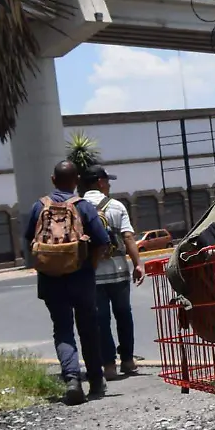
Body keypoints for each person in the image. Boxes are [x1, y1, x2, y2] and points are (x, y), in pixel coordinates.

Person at [26, 160, 114, 404]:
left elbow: (28, 241)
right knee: (88, 329)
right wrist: (91, 266)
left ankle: (73, 379)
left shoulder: (38, 207)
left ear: (53, 179)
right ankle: (96, 381)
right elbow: (102, 240)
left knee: (63, 329)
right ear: (76, 181)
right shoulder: (83, 207)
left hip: (51, 281)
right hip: (82, 278)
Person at [79, 166, 146, 380]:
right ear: (100, 182)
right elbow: (127, 237)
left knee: (101, 320)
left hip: (92, 274)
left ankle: (109, 366)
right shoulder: (116, 206)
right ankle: (127, 360)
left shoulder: (77, 208)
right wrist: (138, 264)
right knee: (123, 315)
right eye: (107, 181)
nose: (109, 185)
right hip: (118, 271)